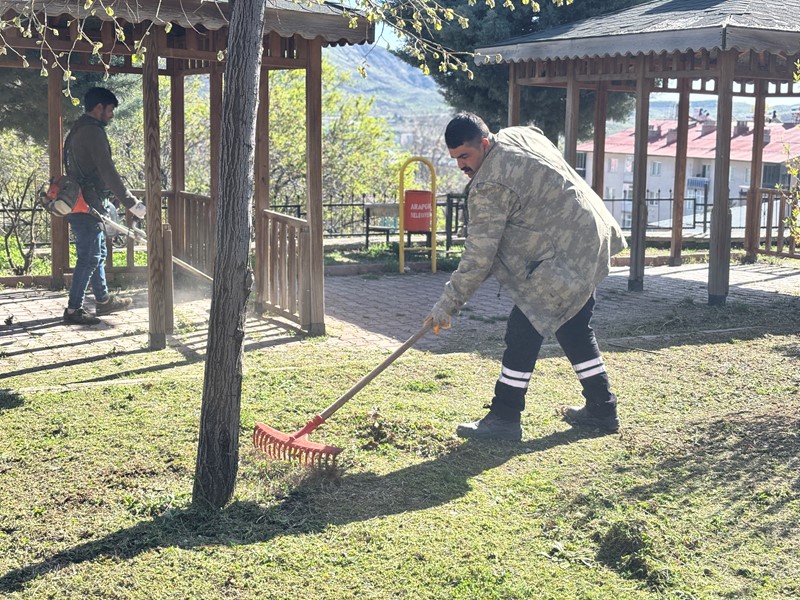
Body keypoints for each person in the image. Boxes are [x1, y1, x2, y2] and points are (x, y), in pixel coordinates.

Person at [425, 112, 626, 440]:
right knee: (573, 327)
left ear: (484, 144)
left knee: (523, 329)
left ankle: (505, 417)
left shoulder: (490, 184)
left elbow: (479, 255)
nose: (461, 165)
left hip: (566, 253)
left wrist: (448, 304)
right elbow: (538, 132)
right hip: (591, 235)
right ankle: (602, 409)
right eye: (456, 159)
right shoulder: (518, 135)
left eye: (465, 156)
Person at [63, 87, 146, 325]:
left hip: (83, 202)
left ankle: (103, 300)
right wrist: (131, 203)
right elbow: (107, 170)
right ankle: (73, 310)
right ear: (99, 107)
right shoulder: (92, 131)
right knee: (89, 258)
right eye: (110, 110)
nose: (111, 115)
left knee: (97, 253)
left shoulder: (78, 128)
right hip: (87, 205)